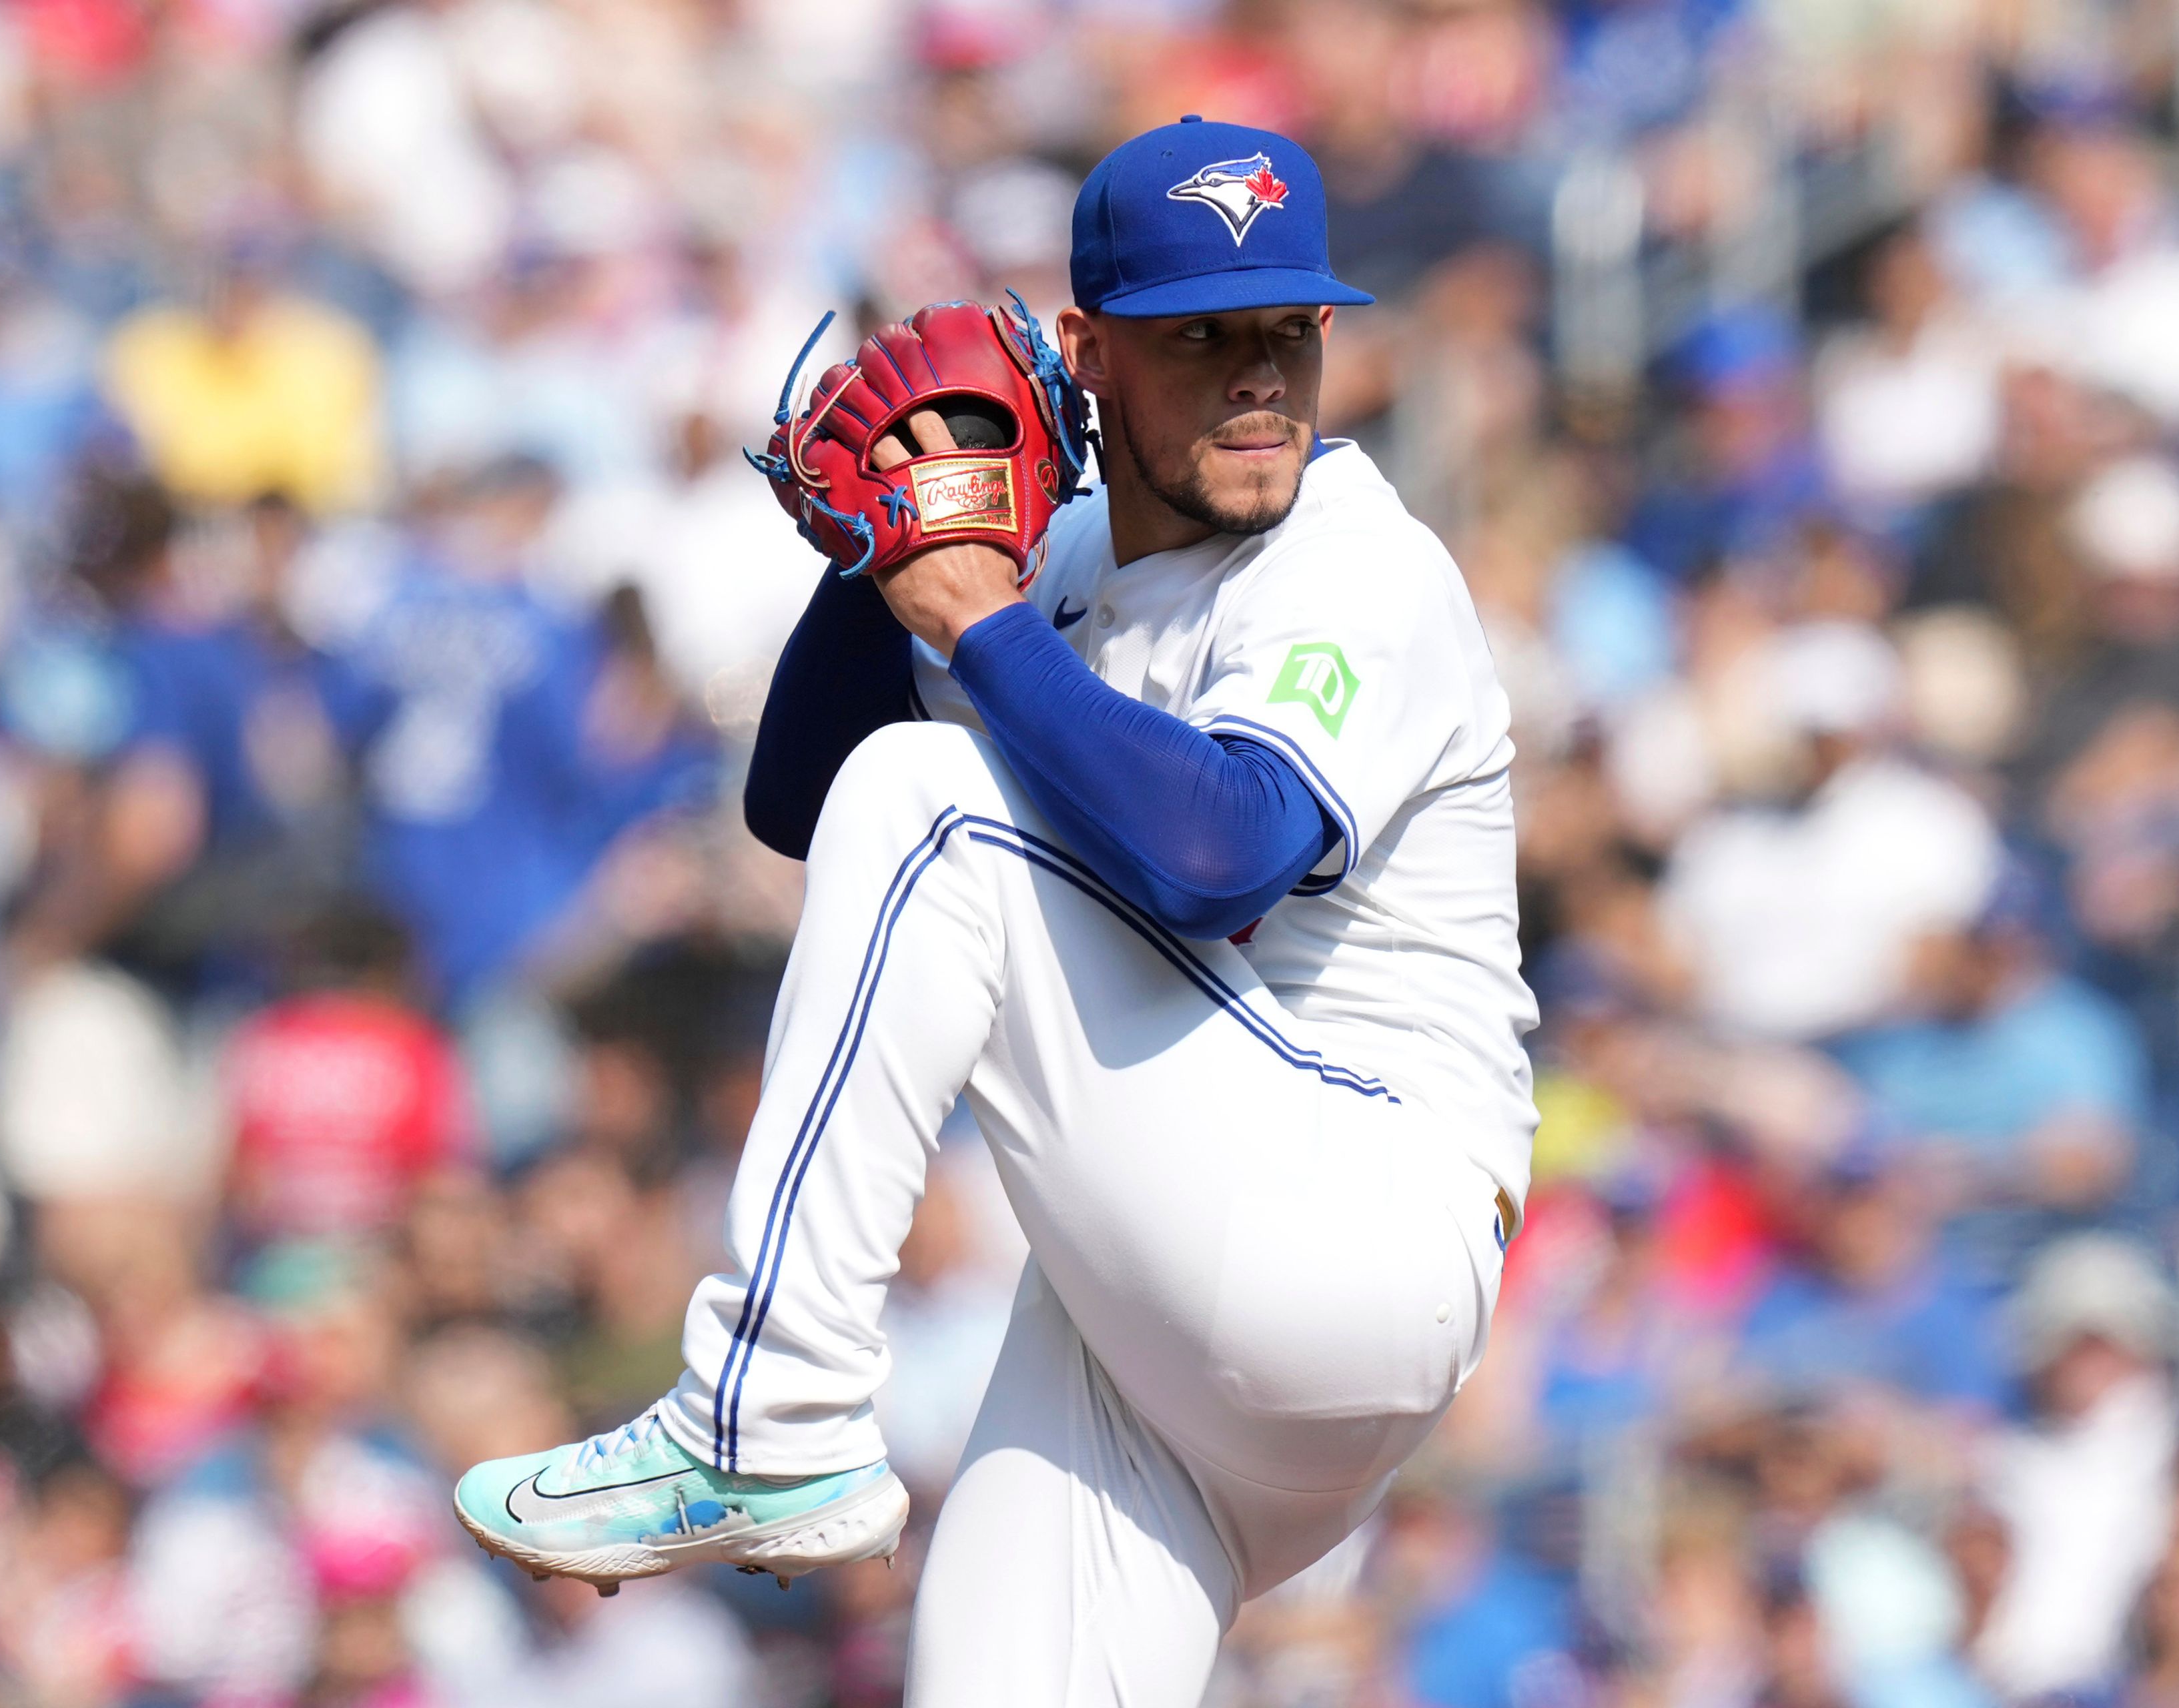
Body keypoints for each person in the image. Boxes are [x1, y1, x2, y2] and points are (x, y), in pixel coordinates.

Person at [452, 117, 1536, 1704]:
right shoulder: (1070, 548)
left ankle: (769, 1409)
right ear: (1091, 353)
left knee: (936, 801)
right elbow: (797, 807)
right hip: (1156, 1325)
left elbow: (1220, 852)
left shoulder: (1358, 562)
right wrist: (882, 547)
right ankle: (781, 1418)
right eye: (1201, 339)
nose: (1256, 380)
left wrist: (977, 617)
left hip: (1358, 1223)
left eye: (1286, 335)